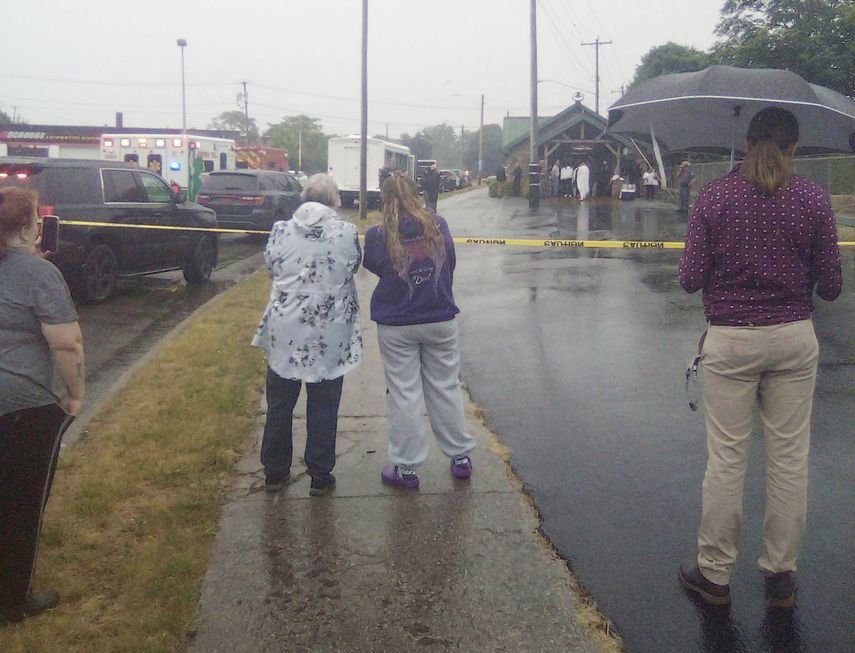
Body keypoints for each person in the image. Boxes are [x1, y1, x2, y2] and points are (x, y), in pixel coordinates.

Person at [677, 107, 842, 609]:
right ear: (793, 148)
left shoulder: (715, 196)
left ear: (747, 144)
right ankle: (780, 575)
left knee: (727, 459)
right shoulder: (812, 198)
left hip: (731, 341)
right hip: (793, 339)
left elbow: (690, 278)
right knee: (789, 460)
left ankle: (714, 574)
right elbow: (832, 287)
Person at [0, 187, 85, 622]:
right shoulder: (39, 274)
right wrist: (75, 394)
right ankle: (12, 600)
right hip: (22, 407)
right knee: (21, 506)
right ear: (25, 227)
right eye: (36, 218)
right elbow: (67, 344)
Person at [251, 174, 362, 497]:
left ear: (304, 197)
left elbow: (272, 267)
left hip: (286, 329)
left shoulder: (280, 231)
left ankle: (275, 471)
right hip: (329, 331)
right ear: (334, 200)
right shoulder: (346, 233)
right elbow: (352, 267)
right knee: (324, 404)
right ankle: (320, 474)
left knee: (280, 402)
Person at [362, 175, 475, 491]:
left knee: (404, 393)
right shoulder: (438, 225)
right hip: (439, 315)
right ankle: (460, 457)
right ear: (417, 194)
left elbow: (376, 266)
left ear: (384, 198)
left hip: (397, 321)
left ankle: (406, 467)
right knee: (445, 387)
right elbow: (450, 262)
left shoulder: (378, 235)